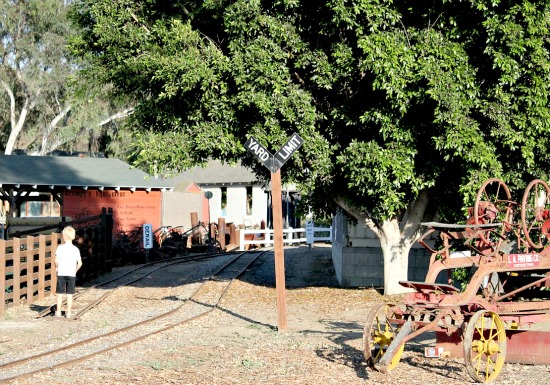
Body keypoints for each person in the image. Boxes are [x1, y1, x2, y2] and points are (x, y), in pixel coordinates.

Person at [54, 226, 82, 318]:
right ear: (73, 237)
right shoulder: (75, 249)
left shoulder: (60, 248)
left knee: (59, 294)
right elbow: (80, 263)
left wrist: (57, 267)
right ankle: (69, 313)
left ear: (63, 236)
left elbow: (56, 261)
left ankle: (58, 312)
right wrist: (75, 270)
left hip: (61, 273)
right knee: (70, 294)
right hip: (71, 274)